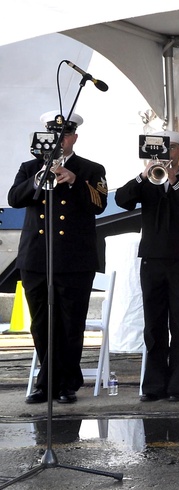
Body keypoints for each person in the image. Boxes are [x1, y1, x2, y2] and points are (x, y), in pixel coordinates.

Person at [11, 111, 108, 405]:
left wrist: (75, 181)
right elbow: (15, 198)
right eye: (53, 134)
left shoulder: (90, 168)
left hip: (74, 260)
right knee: (41, 323)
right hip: (36, 257)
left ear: (73, 138)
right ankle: (46, 382)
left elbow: (100, 203)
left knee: (70, 322)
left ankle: (67, 383)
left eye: (64, 134)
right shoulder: (29, 167)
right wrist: (39, 179)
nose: (58, 139)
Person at [115, 130, 179, 402]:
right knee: (153, 324)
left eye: (173, 148)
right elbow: (122, 200)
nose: (168, 153)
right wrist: (144, 175)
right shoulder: (148, 180)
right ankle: (153, 386)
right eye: (164, 149)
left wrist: (174, 180)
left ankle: (177, 386)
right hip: (152, 259)